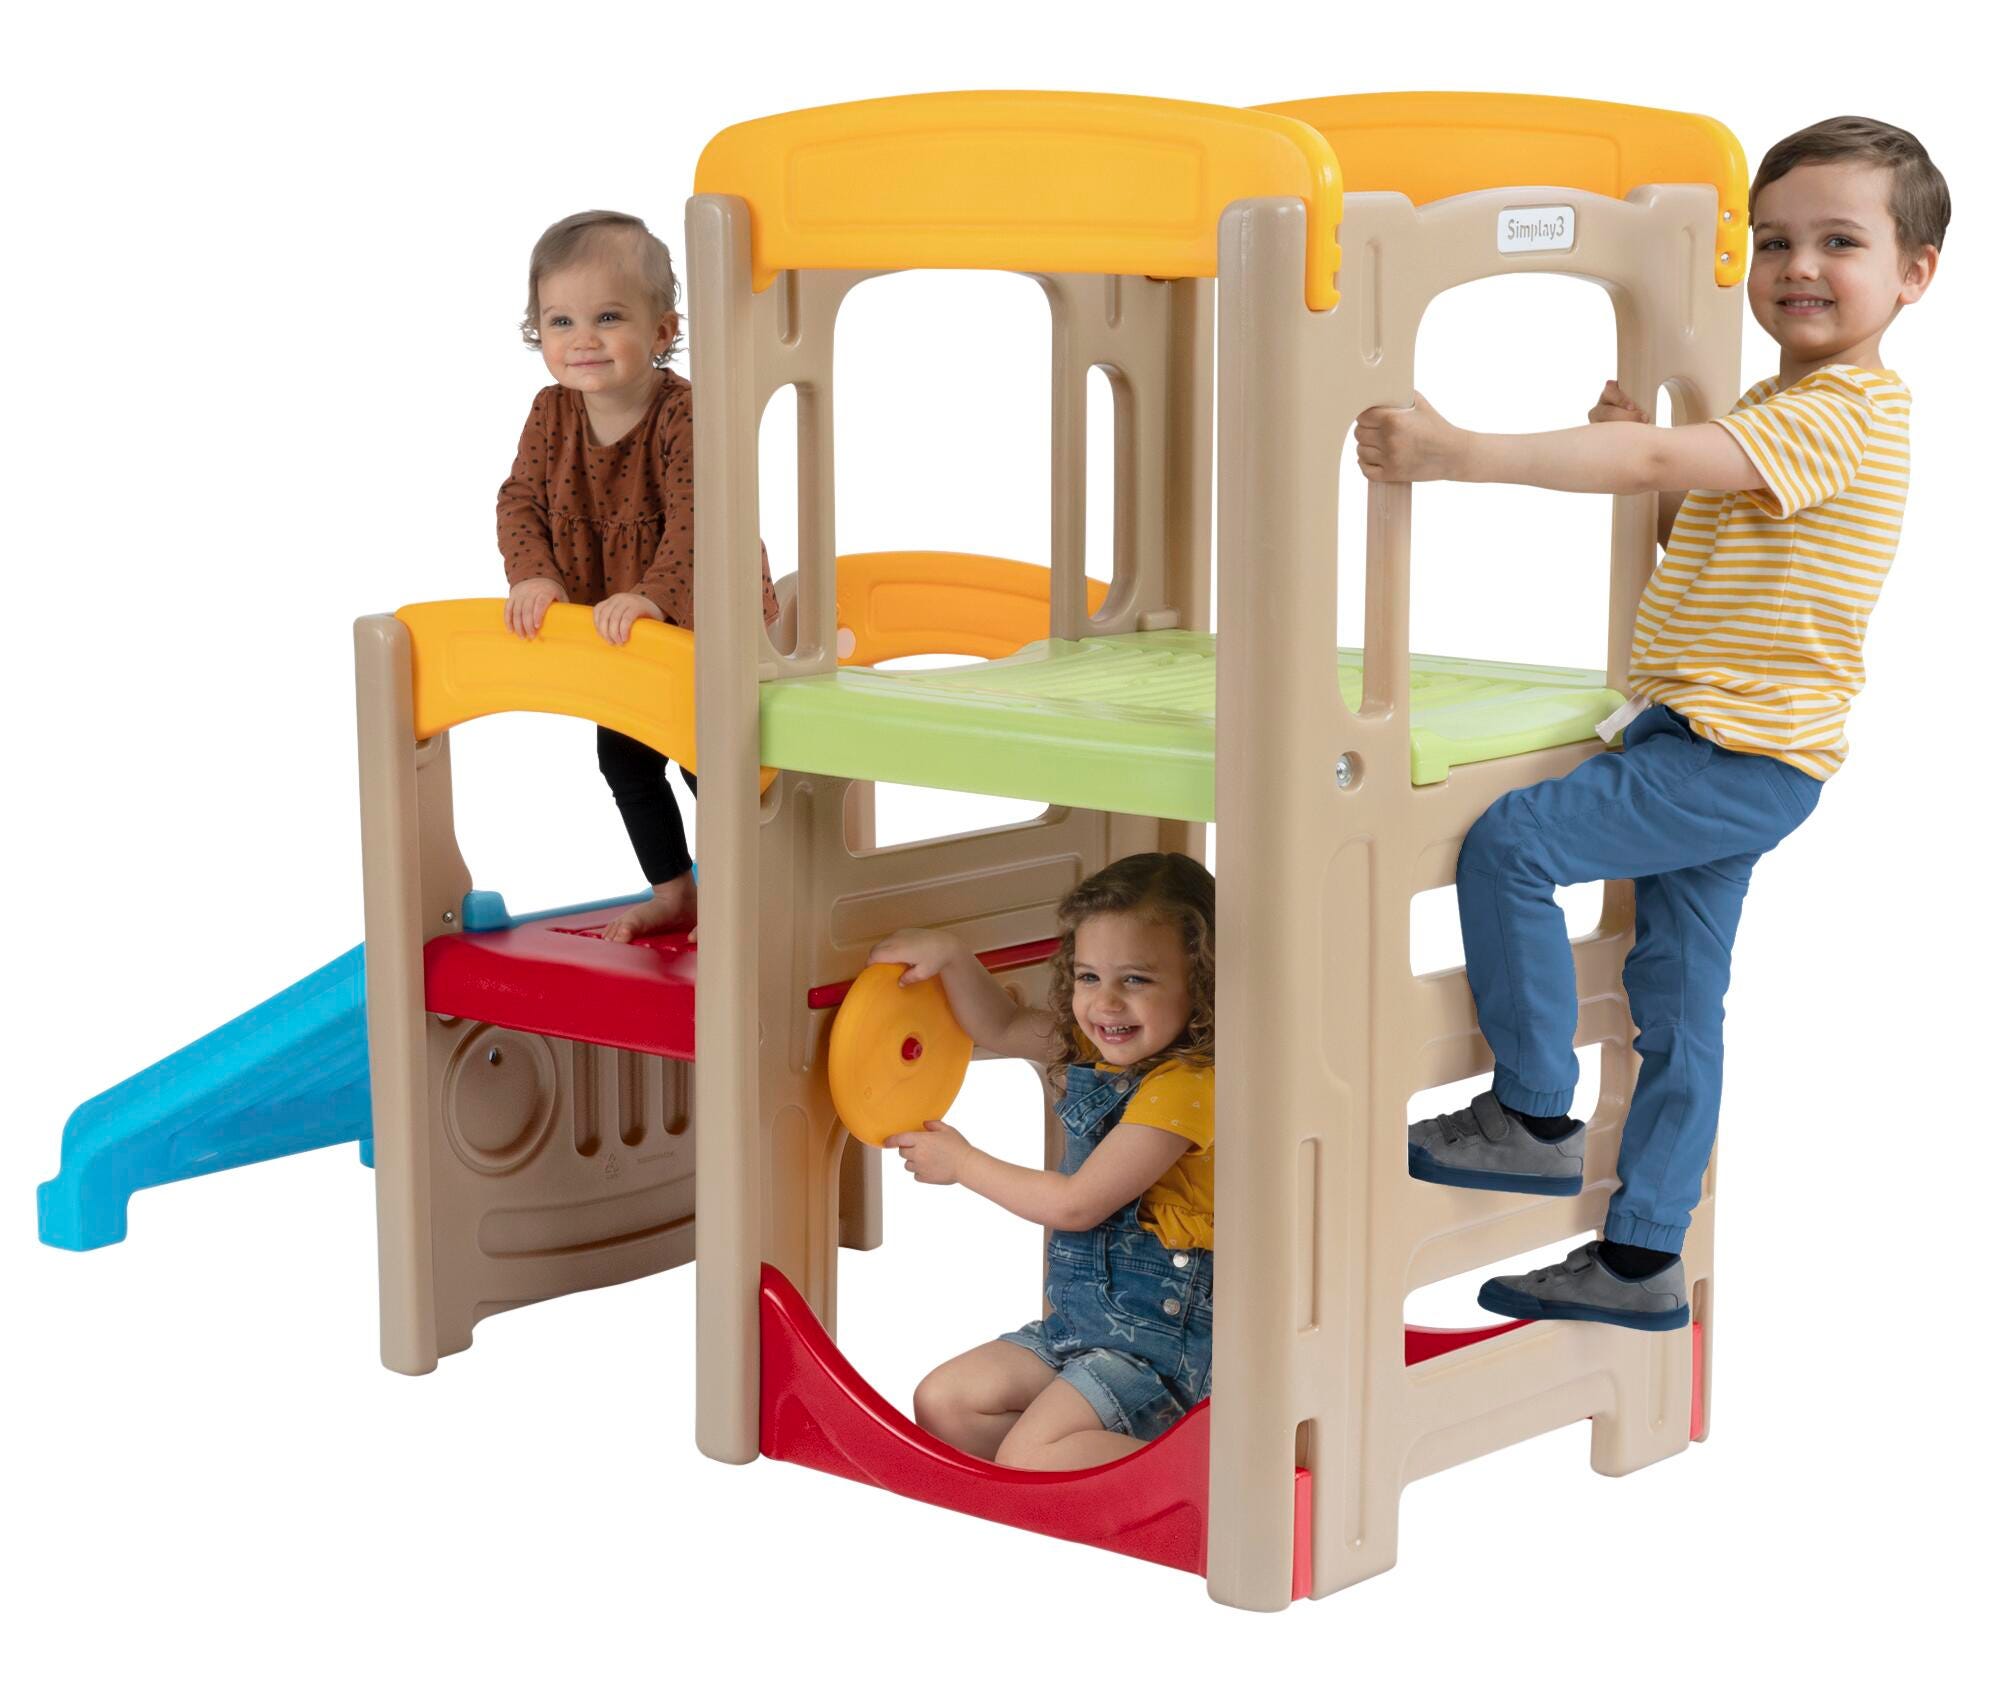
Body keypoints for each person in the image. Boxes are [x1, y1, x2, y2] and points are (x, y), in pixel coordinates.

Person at [1356, 117, 1946, 1329]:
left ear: (1912, 273)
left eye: (1838, 242)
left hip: (1732, 754)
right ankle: (1638, 1261)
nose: (1796, 265)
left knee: (1511, 843)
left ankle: (1529, 1111)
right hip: (1737, 753)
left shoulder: (1842, 410)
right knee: (1676, 1005)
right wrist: (1654, 453)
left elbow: (1644, 469)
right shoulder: (1783, 410)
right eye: (1772, 240)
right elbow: (1706, 532)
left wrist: (1459, 451)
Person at [867, 852, 1217, 1470]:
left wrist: (964, 1163)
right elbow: (1001, 1024)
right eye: (1088, 977)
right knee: (945, 1403)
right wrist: (952, 957)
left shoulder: (1187, 1087)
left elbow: (1076, 1205)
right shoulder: (1094, 1046)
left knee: (1031, 1453)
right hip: (1082, 1329)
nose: (1106, 1003)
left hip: (1161, 1348)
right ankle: (1094, 1492)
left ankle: (1213, 1485)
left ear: (1202, 984)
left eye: (1136, 980)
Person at [498, 209, 779, 942]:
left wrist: (652, 596)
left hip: (702, 621)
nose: (582, 340)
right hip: (619, 633)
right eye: (560, 321)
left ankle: (750, 894)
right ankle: (674, 891)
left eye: (608, 317)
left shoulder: (686, 416)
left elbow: (700, 518)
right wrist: (535, 577)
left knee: (713, 767)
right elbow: (521, 499)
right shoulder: (551, 414)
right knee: (623, 758)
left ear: (661, 332)